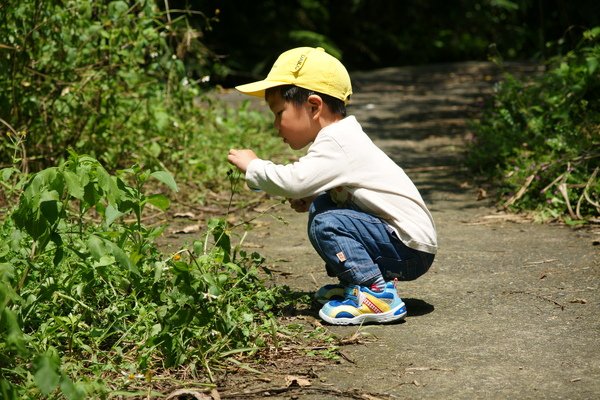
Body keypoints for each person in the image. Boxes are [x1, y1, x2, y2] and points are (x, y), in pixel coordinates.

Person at [227, 47, 437, 325]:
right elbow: (341, 188)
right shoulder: (341, 138)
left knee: (327, 222)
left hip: (408, 249)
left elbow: (293, 181)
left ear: (314, 106)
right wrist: (313, 195)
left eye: (279, 113)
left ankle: (376, 293)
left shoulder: (338, 142)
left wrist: (254, 165)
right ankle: (358, 282)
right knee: (323, 206)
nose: (276, 125)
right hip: (403, 243)